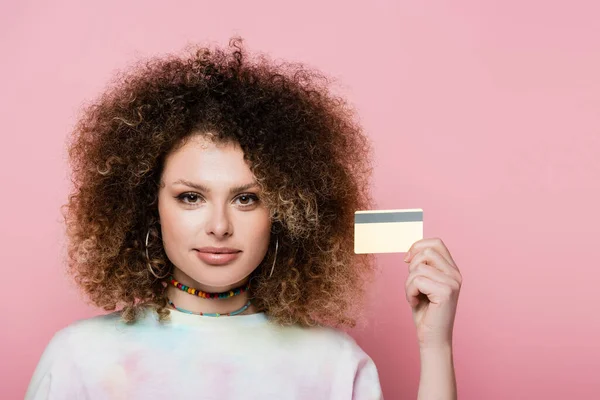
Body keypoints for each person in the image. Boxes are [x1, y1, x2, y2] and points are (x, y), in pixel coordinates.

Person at [25, 36, 462, 399]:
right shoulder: (78, 358)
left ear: (287, 211)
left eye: (247, 199)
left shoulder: (334, 363)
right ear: (148, 206)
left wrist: (435, 347)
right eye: (191, 196)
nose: (219, 226)